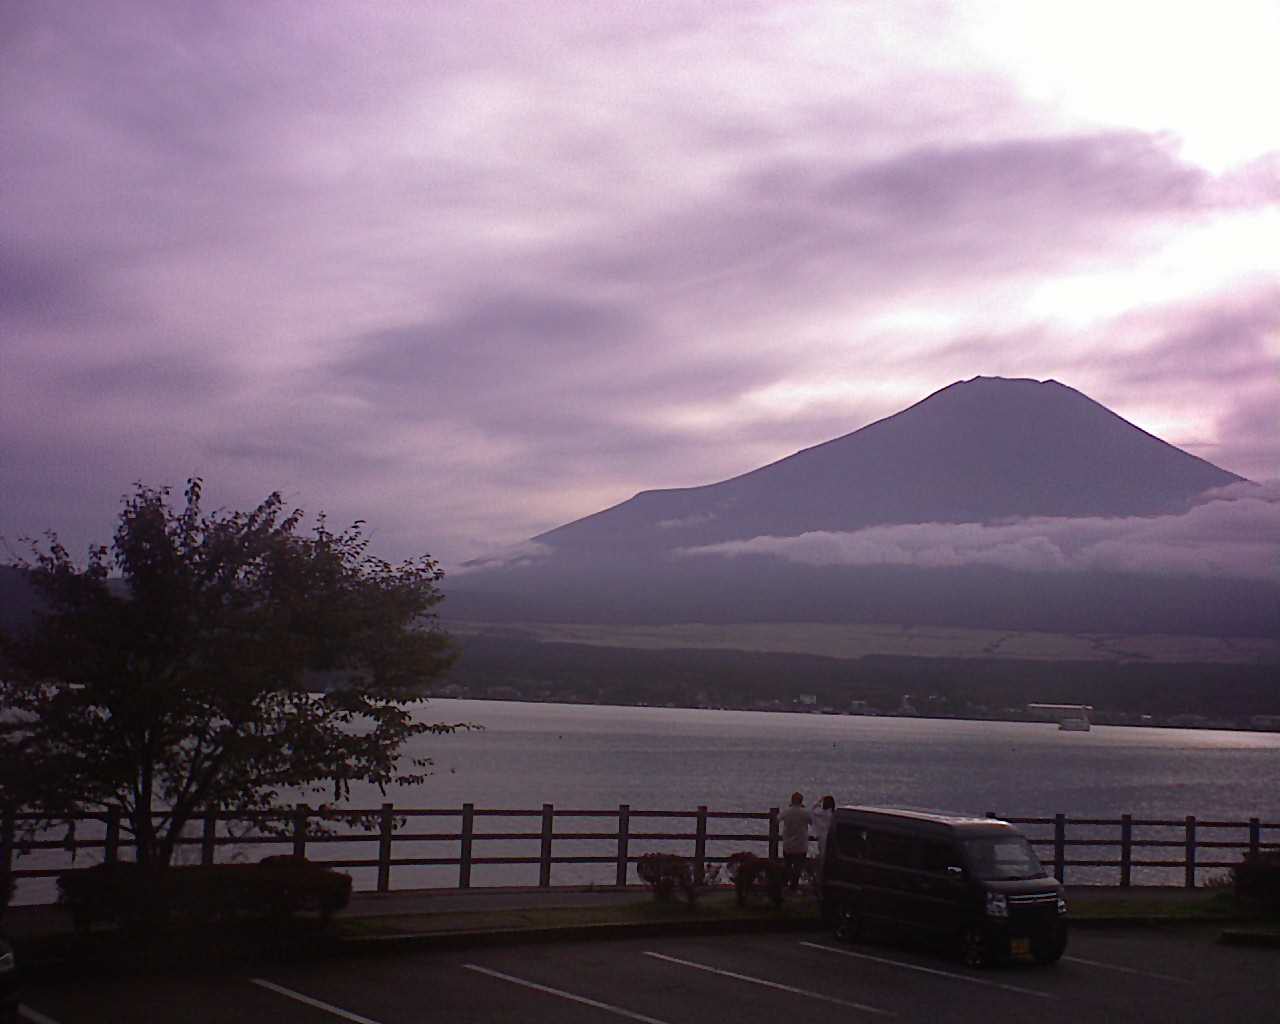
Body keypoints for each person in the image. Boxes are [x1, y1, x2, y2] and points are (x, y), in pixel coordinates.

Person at [779, 791, 811, 891]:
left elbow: (777, 819)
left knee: (787, 865)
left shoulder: (787, 811)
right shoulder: (805, 813)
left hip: (788, 844)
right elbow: (812, 822)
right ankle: (794, 886)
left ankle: (785, 885)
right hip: (801, 844)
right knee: (798, 867)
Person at [810, 794, 836, 867]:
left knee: (822, 855)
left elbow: (812, 810)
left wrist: (819, 800)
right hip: (831, 836)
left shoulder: (821, 813)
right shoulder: (833, 814)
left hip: (822, 836)